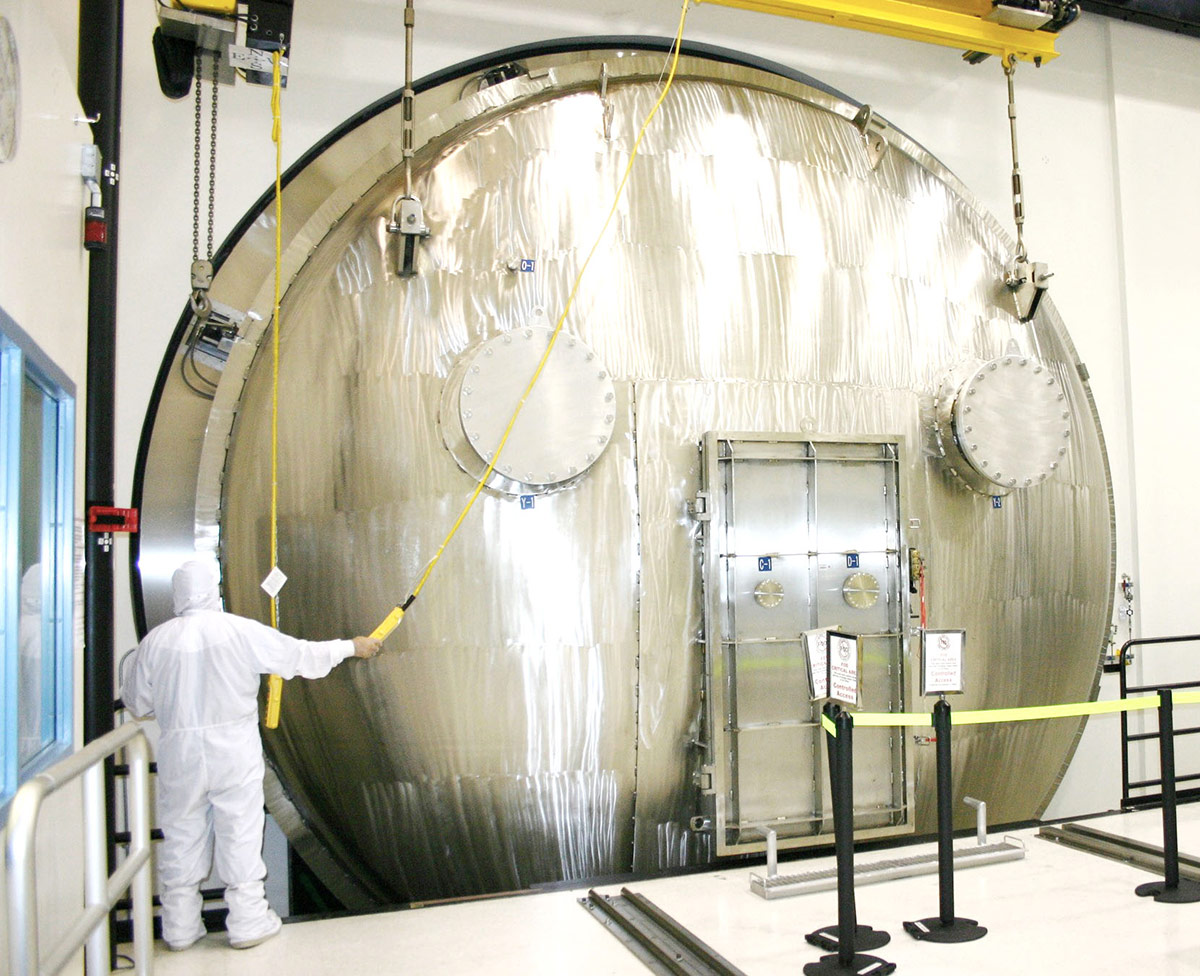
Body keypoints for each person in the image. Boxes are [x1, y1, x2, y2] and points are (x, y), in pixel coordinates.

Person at [120, 557, 382, 951]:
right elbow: (298, 656)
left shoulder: (156, 641)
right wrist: (351, 647)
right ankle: (246, 920)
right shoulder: (238, 631)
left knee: (181, 834)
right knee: (239, 830)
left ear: (178, 593)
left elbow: (137, 702)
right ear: (214, 587)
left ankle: (178, 927)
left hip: (181, 751)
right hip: (233, 749)